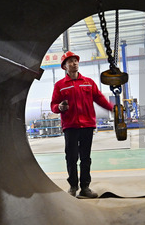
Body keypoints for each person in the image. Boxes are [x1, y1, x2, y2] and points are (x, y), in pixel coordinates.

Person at [51, 51, 113, 198]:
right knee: (71, 157)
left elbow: (99, 99)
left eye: (75, 60)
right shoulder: (60, 85)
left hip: (87, 126)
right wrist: (59, 107)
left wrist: (114, 109)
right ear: (64, 66)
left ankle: (85, 188)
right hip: (70, 126)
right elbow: (53, 104)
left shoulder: (88, 82)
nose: (74, 63)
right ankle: (73, 186)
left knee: (86, 157)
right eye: (70, 61)